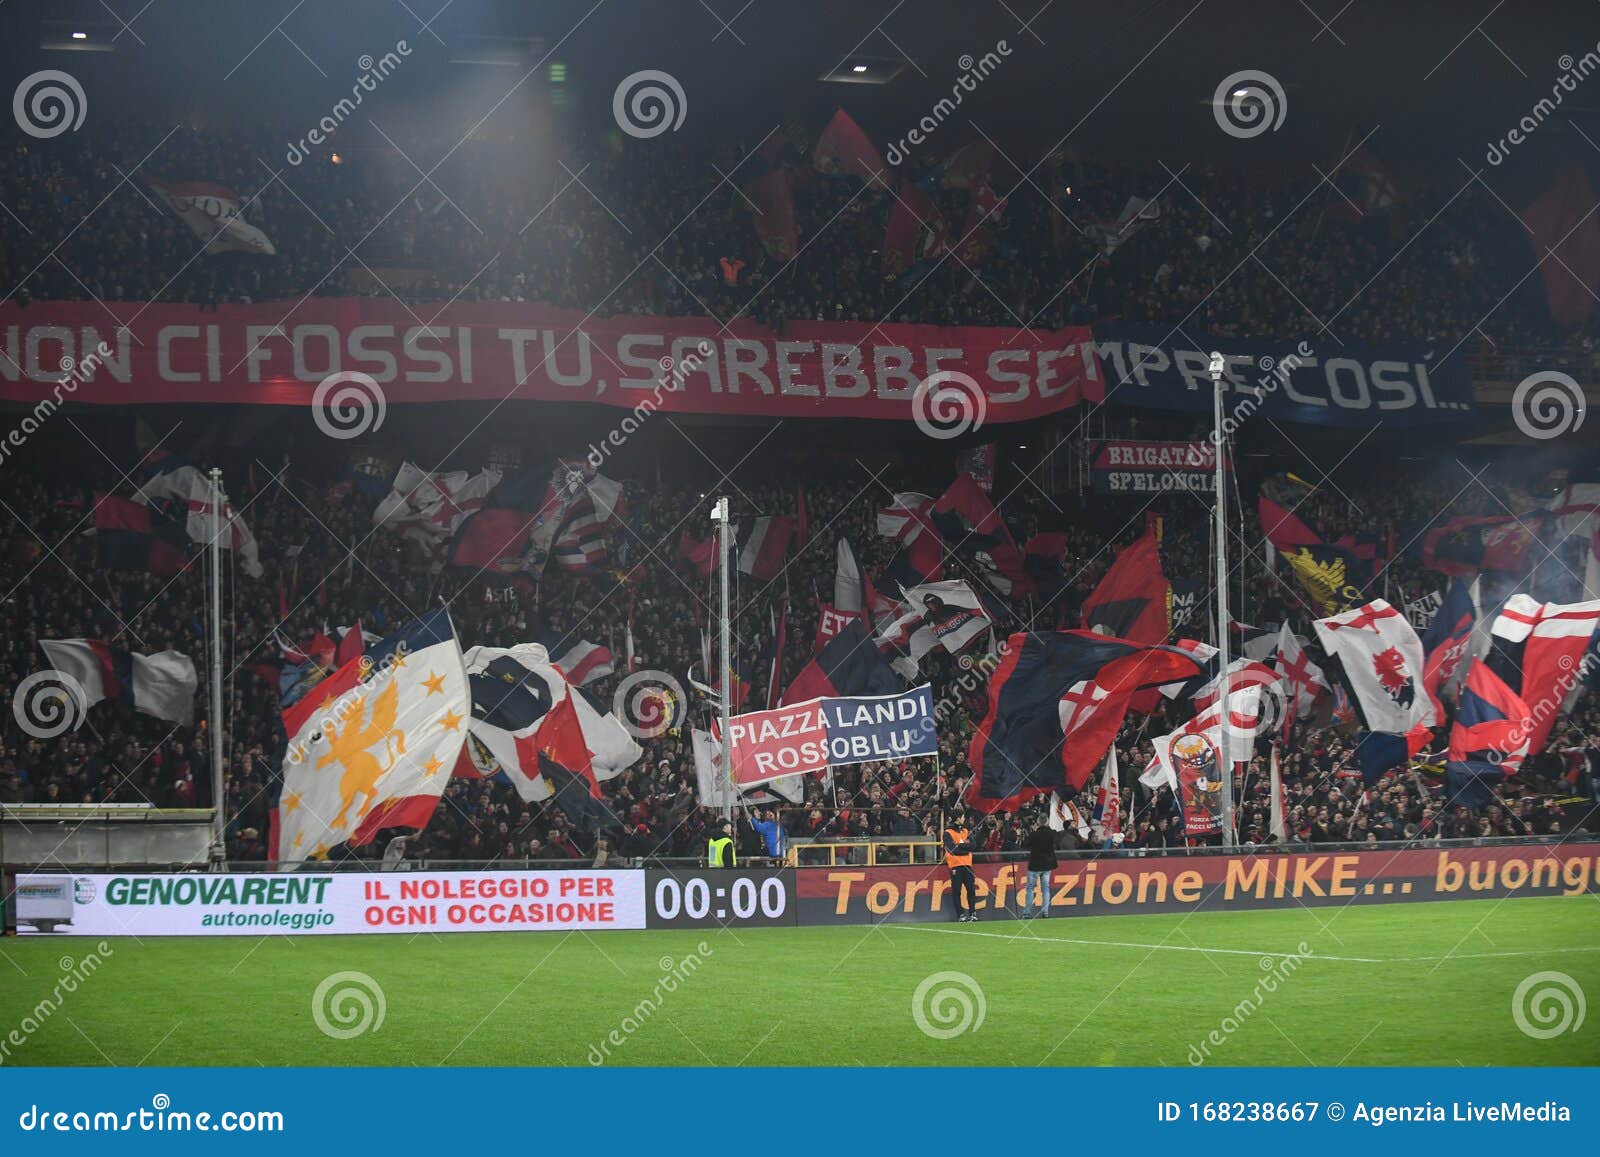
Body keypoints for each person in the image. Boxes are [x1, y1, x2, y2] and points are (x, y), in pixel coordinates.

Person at [943, 812, 977, 922]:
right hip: (955, 866)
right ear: (958, 819)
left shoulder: (965, 831)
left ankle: (972, 913)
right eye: (962, 817)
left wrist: (960, 845)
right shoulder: (947, 833)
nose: (964, 818)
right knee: (957, 891)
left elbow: (974, 846)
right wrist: (965, 848)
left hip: (967, 865)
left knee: (971, 890)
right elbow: (952, 850)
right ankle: (961, 914)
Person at [1022, 818, 1056, 918]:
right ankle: (1045, 912)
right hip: (1047, 865)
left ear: (1038, 823)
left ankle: (1027, 913)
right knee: (1045, 889)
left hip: (1035, 865)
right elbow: (1056, 843)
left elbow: (1025, 844)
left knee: (1030, 889)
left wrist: (1033, 831)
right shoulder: (1052, 834)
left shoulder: (1034, 834)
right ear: (1047, 822)